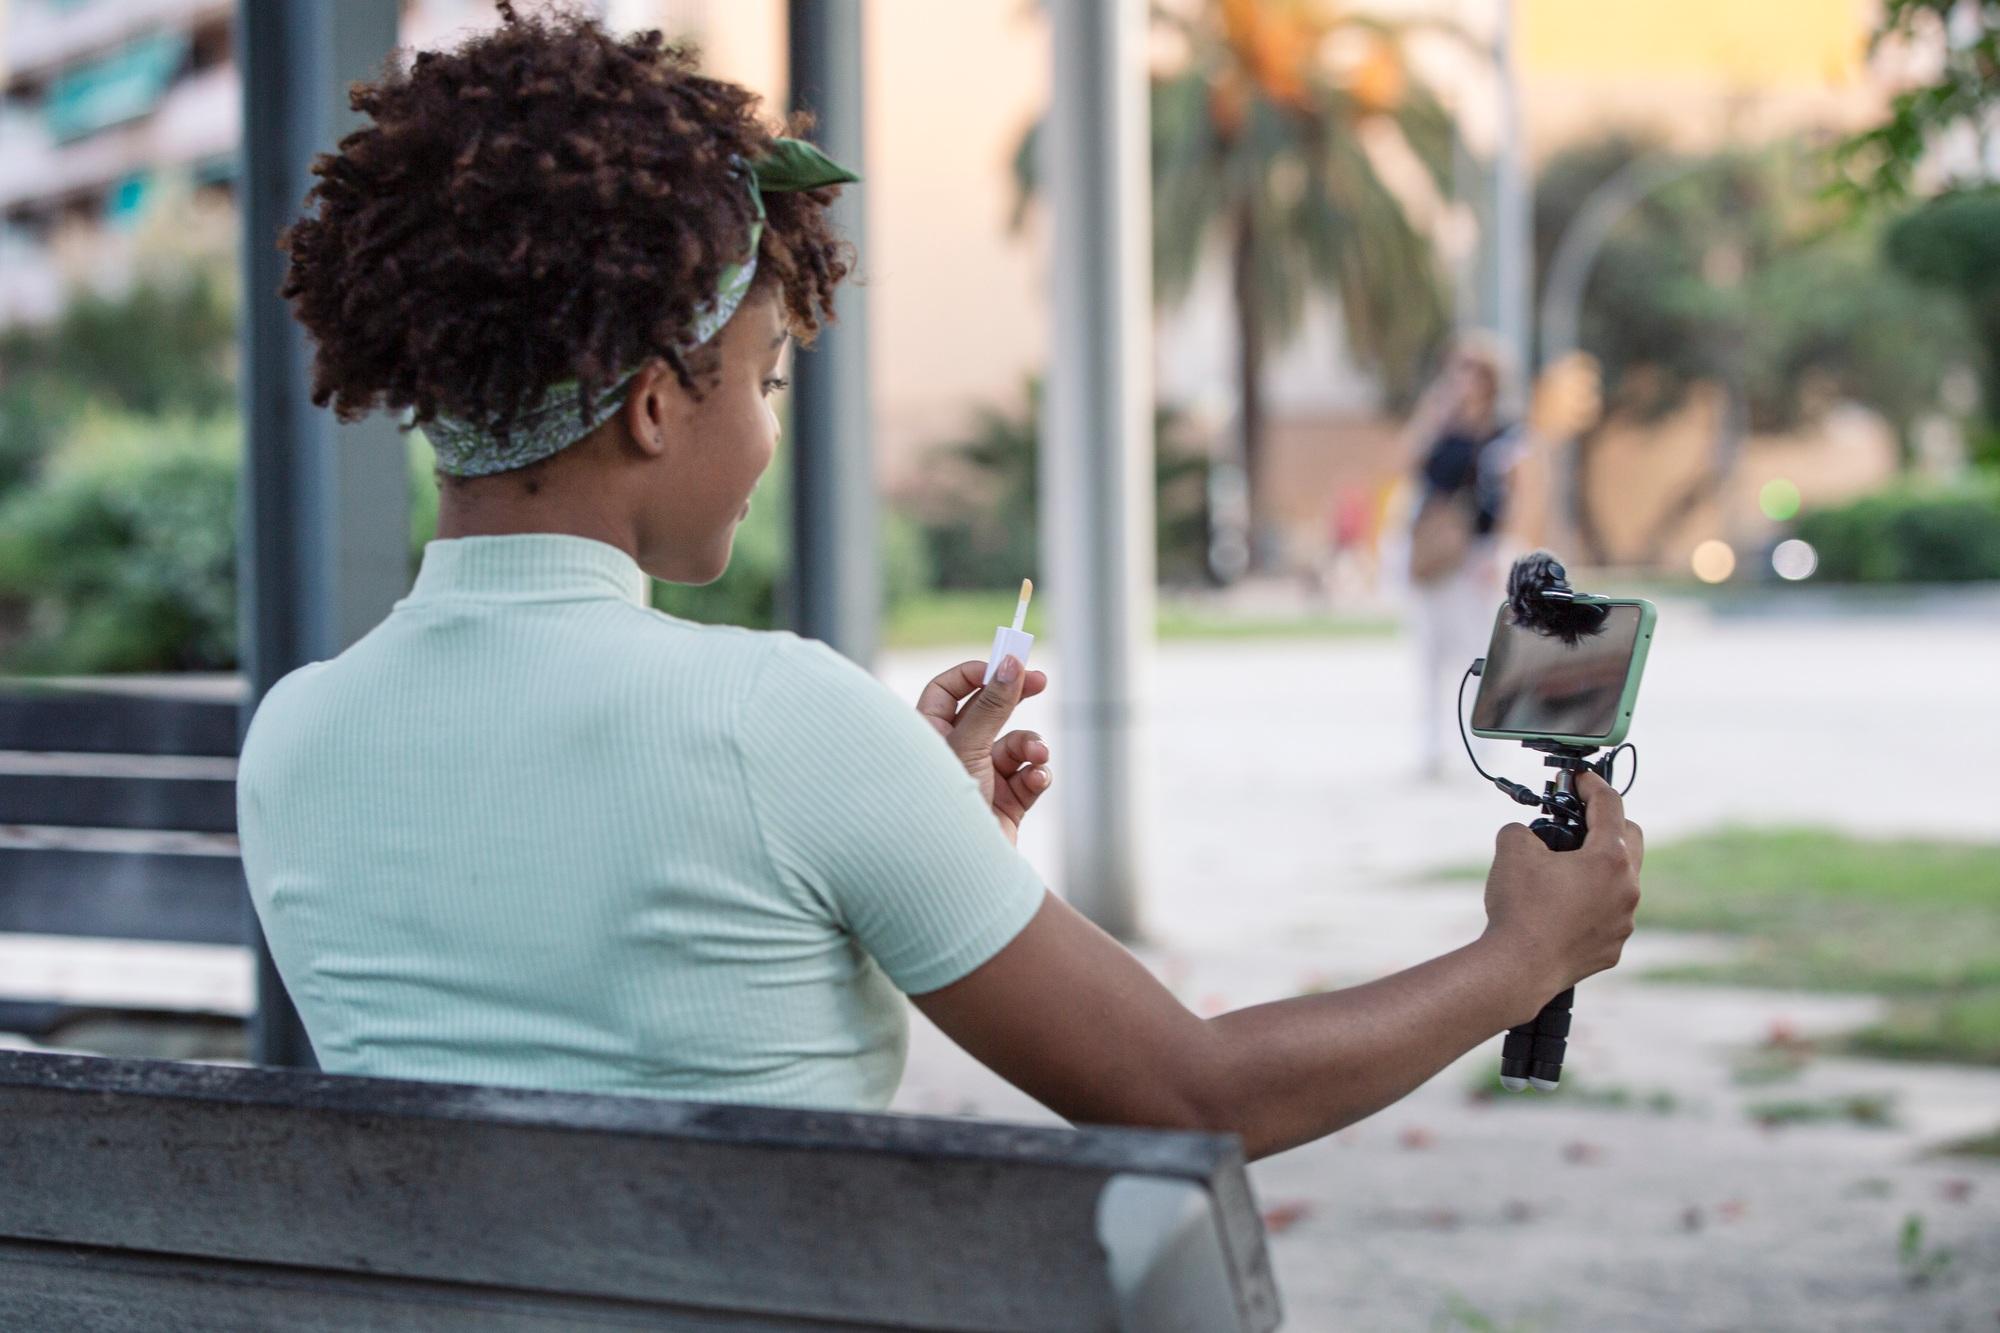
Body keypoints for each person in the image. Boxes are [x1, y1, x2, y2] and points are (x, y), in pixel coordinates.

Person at [240, 4, 1640, 1163]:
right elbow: (1192, 1094)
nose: (773, 429)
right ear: (661, 403)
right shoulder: (776, 718)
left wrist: (910, 826)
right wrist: (1520, 956)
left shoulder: (294, 739)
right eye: (768, 374)